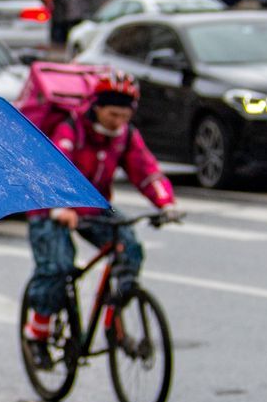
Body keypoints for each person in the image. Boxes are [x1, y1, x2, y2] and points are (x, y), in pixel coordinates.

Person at [24, 73, 177, 352]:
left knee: (129, 248)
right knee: (56, 267)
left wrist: (165, 203)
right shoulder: (71, 130)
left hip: (94, 207)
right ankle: (38, 333)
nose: (118, 121)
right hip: (50, 206)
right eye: (112, 114)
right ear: (96, 107)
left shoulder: (125, 135)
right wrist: (60, 208)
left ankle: (113, 320)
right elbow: (54, 171)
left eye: (124, 115)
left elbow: (146, 169)